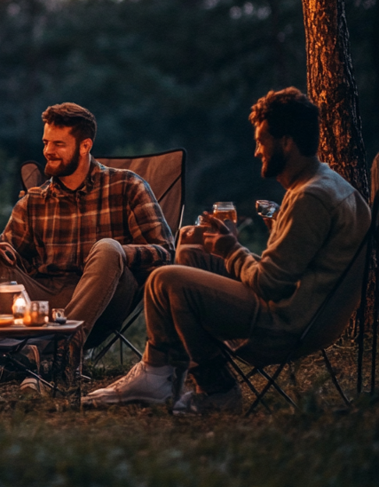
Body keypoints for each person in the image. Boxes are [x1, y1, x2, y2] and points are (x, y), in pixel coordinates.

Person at [85, 87, 371, 413]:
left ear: (287, 142)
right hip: (306, 308)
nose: (256, 151)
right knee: (191, 248)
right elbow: (298, 263)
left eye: (262, 141)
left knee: (165, 279)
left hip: (290, 324)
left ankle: (210, 387)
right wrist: (235, 243)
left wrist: (231, 248)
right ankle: (160, 370)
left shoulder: (310, 197)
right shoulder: (327, 182)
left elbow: (269, 284)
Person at [0, 102, 175, 365]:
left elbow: (165, 251)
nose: (48, 151)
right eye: (45, 142)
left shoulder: (127, 186)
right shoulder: (34, 201)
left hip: (103, 300)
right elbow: (14, 262)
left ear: (85, 146)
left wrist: (118, 253)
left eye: (58, 144)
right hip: (42, 301)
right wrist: (0, 254)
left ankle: (64, 346)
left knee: (107, 247)